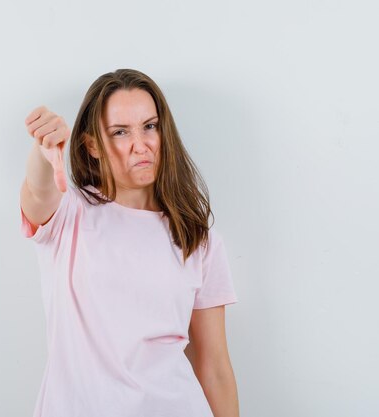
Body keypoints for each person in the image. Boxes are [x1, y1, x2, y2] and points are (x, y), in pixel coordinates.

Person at [19, 68, 240, 417]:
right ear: (92, 144)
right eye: (120, 132)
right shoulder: (69, 214)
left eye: (150, 126)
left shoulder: (198, 238)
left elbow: (214, 368)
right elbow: (37, 191)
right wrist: (44, 149)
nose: (142, 145)